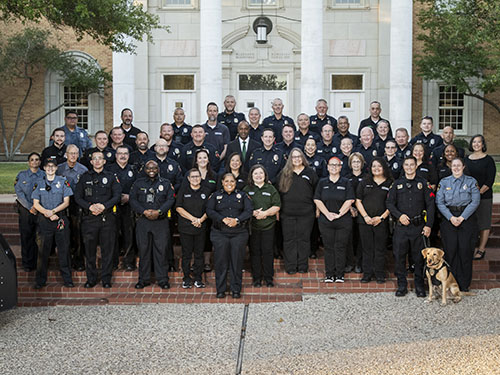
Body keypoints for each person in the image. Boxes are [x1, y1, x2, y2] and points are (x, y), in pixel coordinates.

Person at [386, 156, 435, 298]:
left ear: (416, 166)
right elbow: (389, 203)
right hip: (401, 227)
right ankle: (402, 286)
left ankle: (419, 286)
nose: (409, 167)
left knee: (418, 258)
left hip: (418, 227)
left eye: (411, 165)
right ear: (403, 166)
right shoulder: (397, 184)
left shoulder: (423, 184)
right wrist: (399, 215)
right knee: (400, 256)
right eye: (406, 165)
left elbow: (431, 205)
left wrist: (429, 225)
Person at [74, 150, 121, 288]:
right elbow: (78, 197)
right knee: (90, 251)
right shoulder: (84, 177)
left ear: (104, 161)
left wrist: (104, 206)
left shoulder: (111, 177)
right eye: (94, 158)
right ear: (91, 161)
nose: (97, 161)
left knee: (107, 251)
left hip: (107, 219)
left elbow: (117, 195)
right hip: (89, 220)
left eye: (100, 158)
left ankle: (106, 279)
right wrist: (90, 207)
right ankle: (91, 279)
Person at [129, 160, 175, 289]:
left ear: (158, 169)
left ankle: (162, 279)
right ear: (145, 169)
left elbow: (171, 199)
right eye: (148, 168)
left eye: (154, 168)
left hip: (160, 222)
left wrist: (159, 211)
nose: (151, 170)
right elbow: (133, 200)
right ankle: (143, 279)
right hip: (143, 221)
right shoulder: (138, 183)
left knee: (161, 251)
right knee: (144, 251)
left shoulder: (165, 183)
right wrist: (143, 211)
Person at [436, 158, 480, 292]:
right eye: (454, 166)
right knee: (450, 251)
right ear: (451, 167)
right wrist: (450, 217)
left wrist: (462, 217)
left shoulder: (471, 182)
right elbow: (440, 202)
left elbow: (475, 201)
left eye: (458, 166)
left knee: (465, 251)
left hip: (466, 219)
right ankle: (450, 283)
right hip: (448, 219)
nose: (456, 168)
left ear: (463, 166)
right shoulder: (444, 182)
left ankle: (464, 284)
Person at [206, 173, 253, 299]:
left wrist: (237, 220)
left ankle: (235, 290)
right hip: (220, 233)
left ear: (235, 182)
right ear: (222, 182)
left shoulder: (242, 195)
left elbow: (249, 211)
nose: (229, 184)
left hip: (238, 234)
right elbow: (209, 210)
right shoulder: (215, 196)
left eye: (232, 181)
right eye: (226, 181)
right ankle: (220, 290)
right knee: (221, 262)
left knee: (236, 262)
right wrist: (223, 219)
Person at [31, 159, 73, 289]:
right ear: (44, 168)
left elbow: (66, 202)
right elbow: (35, 204)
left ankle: (67, 280)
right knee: (43, 252)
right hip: (44, 220)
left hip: (60, 219)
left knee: (64, 250)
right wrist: (47, 213)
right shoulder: (38, 183)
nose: (50, 168)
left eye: (53, 166)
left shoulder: (62, 182)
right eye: (48, 166)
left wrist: (53, 211)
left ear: (56, 168)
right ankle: (40, 281)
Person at [314, 156, 355, 283]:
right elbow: (317, 199)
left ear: (340, 167)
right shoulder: (322, 182)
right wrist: (327, 214)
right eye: (331, 165)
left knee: (340, 246)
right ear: (327, 167)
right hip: (326, 220)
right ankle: (329, 274)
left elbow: (350, 200)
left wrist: (338, 214)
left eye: (336, 165)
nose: (334, 167)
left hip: (343, 220)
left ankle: (340, 275)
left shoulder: (346, 182)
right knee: (329, 247)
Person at [278, 148, 318, 274]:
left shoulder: (310, 172)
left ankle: (302, 266)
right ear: (290, 159)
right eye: (294, 157)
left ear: (303, 158)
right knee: (289, 240)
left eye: (299, 156)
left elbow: (317, 192)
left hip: (306, 213)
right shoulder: (284, 173)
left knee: (304, 240)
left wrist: (317, 209)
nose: (297, 159)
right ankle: (290, 267)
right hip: (287, 213)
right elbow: (277, 193)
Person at [356, 158, 393, 284]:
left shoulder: (390, 183)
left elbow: (392, 204)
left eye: (379, 166)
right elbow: (358, 200)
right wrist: (366, 217)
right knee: (367, 248)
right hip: (365, 221)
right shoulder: (364, 182)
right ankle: (367, 274)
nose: (376, 168)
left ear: (384, 168)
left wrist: (381, 217)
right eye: (373, 166)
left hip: (381, 221)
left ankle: (380, 274)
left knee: (380, 248)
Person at [243, 165, 281, 287]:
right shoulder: (247, 190)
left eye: (261, 173)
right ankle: (257, 279)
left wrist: (265, 213)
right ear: (251, 176)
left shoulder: (271, 189)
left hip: (268, 226)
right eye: (255, 173)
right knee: (255, 253)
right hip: (253, 227)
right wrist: (253, 213)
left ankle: (268, 278)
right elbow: (242, 207)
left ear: (265, 175)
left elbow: (277, 206)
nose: (258, 176)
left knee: (268, 252)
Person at [176, 168, 210, 289]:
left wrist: (200, 220)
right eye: (193, 177)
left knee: (199, 254)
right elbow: (179, 208)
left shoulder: (206, 191)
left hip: (201, 227)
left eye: (197, 176)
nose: (195, 179)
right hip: (186, 228)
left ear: (201, 178)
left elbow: (209, 209)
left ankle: (198, 278)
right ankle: (186, 279)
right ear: (189, 178)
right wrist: (193, 219)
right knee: (186, 255)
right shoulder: (183, 190)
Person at [56, 144, 88, 271]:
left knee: (78, 233)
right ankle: (65, 262)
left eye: (76, 153)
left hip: (77, 204)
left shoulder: (83, 170)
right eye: (71, 153)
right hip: (61, 204)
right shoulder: (59, 169)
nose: (73, 156)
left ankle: (78, 260)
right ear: (66, 154)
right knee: (64, 234)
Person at [465, 135, 497, 260]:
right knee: (470, 222)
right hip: (467, 197)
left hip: (484, 197)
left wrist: (477, 194)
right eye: (474, 142)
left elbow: (490, 180)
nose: (476, 144)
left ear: (483, 144)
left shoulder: (488, 160)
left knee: (484, 223)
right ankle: (470, 247)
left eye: (479, 142)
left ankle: (481, 249)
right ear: (471, 144)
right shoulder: (466, 159)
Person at [106, 145, 138, 271]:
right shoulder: (109, 170)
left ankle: (129, 262)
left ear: (129, 156)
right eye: (120, 153)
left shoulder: (133, 169)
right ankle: (113, 262)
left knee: (128, 234)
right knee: (112, 235)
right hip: (113, 206)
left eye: (125, 153)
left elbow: (138, 187)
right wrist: (117, 197)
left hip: (129, 207)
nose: (123, 156)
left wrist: (130, 197)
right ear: (116, 155)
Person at [15, 152, 45, 271]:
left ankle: (39, 264)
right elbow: (19, 193)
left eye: (37, 159)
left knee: (40, 239)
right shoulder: (22, 176)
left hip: (40, 211)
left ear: (40, 162)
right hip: (26, 211)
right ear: (28, 162)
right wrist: (30, 207)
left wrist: (38, 207)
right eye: (32, 160)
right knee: (26, 237)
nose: (34, 162)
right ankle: (27, 264)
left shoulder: (44, 175)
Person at [345, 152, 366, 273]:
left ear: (362, 163)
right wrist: (350, 208)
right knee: (348, 238)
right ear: (350, 164)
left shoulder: (368, 177)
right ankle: (349, 262)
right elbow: (344, 195)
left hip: (363, 212)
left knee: (361, 239)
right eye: (354, 162)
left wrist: (360, 210)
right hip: (348, 211)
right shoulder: (346, 178)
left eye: (358, 161)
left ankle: (359, 263)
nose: (356, 164)